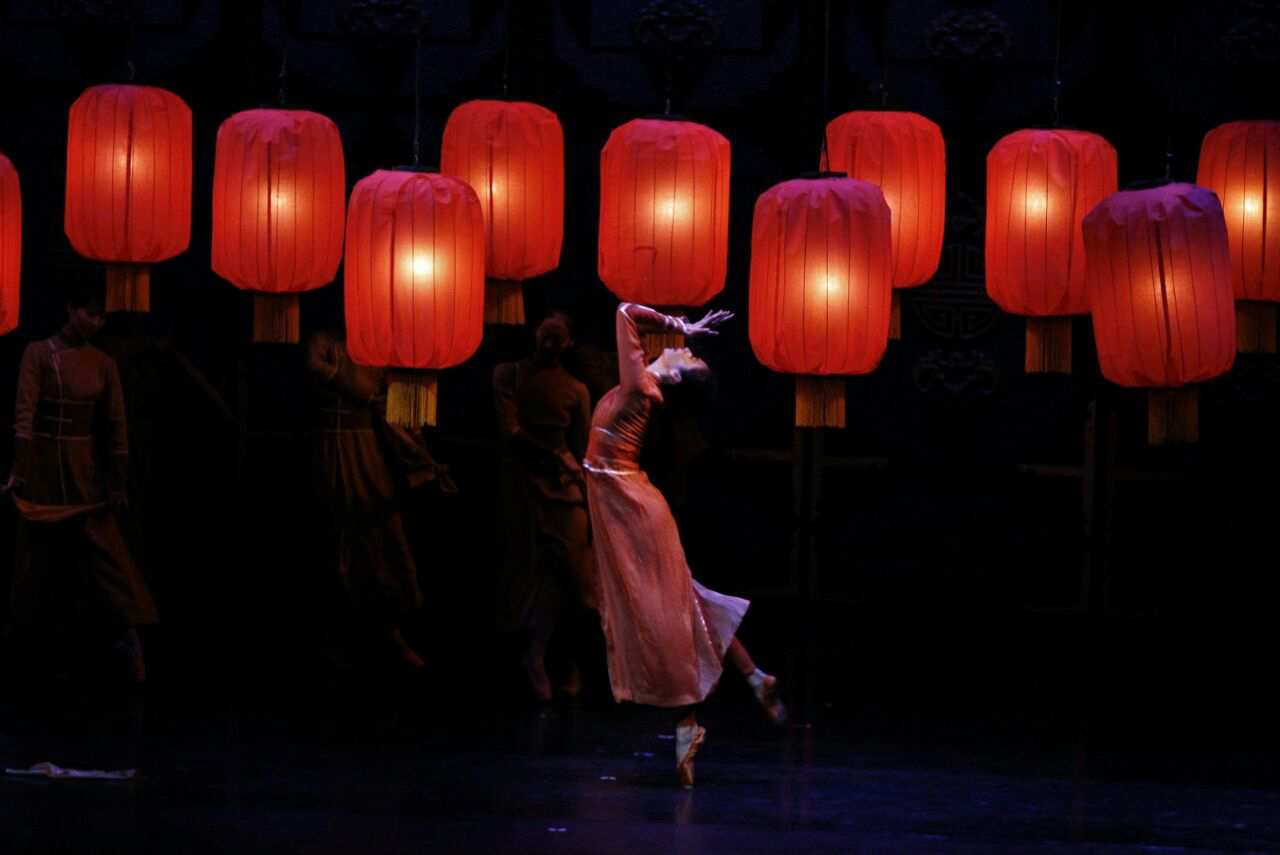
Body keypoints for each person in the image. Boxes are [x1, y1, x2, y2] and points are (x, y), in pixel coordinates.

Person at [584, 302, 784, 787]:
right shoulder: (645, 386)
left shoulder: (640, 387)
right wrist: (679, 329)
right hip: (627, 502)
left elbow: (624, 312)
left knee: (667, 614)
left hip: (632, 508)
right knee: (681, 603)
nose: (685, 349)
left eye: (690, 357)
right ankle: (751, 679)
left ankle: (690, 719)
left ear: (675, 378)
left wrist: (680, 323)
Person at [2, 284, 156, 683]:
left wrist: (117, 481)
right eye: (90, 312)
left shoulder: (104, 363)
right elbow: (24, 414)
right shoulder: (39, 353)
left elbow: (117, 425)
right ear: (70, 309)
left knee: (104, 554)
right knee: (38, 561)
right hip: (44, 469)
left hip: (83, 470)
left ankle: (128, 637)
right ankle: (32, 651)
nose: (96, 321)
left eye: (102, 315)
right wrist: (19, 468)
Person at [306, 330, 441, 670]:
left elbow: (399, 411)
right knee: (336, 543)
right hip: (330, 447)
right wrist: (365, 398)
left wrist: (421, 455)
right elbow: (315, 366)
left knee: (383, 535)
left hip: (366, 451)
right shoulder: (324, 342)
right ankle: (334, 636)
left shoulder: (378, 348)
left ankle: (388, 632)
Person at [492, 311, 595, 701]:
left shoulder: (576, 389)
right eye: (545, 334)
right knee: (532, 575)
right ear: (535, 332)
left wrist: (585, 487)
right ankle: (535, 657)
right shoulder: (509, 374)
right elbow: (510, 429)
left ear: (569, 343)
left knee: (578, 577)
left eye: (558, 338)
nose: (549, 343)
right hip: (523, 482)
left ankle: (572, 664)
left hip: (563, 486)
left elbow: (581, 447)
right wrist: (554, 454)